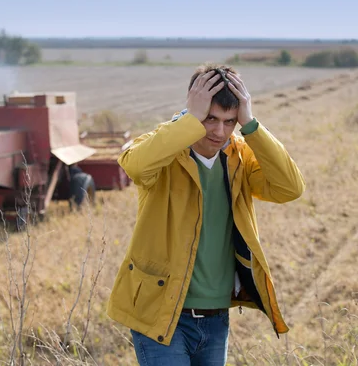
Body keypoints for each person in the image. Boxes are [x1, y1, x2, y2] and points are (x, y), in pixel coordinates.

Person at [106, 64, 306, 365]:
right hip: (161, 314)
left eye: (230, 121)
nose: (219, 131)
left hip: (216, 319)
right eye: (210, 118)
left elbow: (290, 188)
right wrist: (188, 120)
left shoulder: (239, 157)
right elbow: (134, 165)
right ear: (193, 108)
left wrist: (250, 124)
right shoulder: (165, 151)